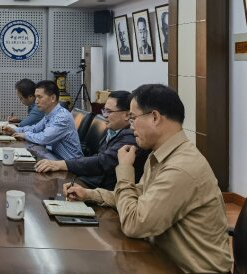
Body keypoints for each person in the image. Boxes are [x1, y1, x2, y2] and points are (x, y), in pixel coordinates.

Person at [64, 84, 232, 273]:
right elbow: (138, 197)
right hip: (161, 259)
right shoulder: (160, 155)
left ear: (154, 117)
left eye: (133, 118)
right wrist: (90, 194)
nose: (131, 126)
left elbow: (135, 224)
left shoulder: (181, 168)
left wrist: (125, 169)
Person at [34, 91, 148, 190]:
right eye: (104, 110)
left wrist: (62, 164)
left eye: (109, 111)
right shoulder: (113, 131)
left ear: (127, 115)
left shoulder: (131, 137)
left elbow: (102, 162)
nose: (104, 115)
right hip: (95, 183)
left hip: (106, 191)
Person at [2, 80, 83, 160]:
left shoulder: (62, 117)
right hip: (55, 157)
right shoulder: (50, 114)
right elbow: (35, 129)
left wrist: (25, 135)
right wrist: (14, 130)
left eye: (39, 97)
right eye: (36, 97)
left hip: (70, 163)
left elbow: (44, 138)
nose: (36, 101)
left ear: (52, 98)